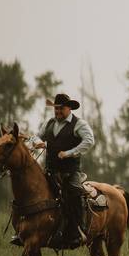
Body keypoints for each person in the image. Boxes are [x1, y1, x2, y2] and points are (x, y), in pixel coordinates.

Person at [31, 93, 96, 248]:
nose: (57, 111)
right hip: (50, 171)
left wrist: (69, 153)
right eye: (56, 109)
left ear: (68, 108)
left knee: (73, 193)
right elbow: (35, 137)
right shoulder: (49, 123)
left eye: (60, 109)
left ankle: (78, 230)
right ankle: (29, 230)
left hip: (70, 172)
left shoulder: (79, 124)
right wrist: (38, 142)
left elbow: (89, 141)